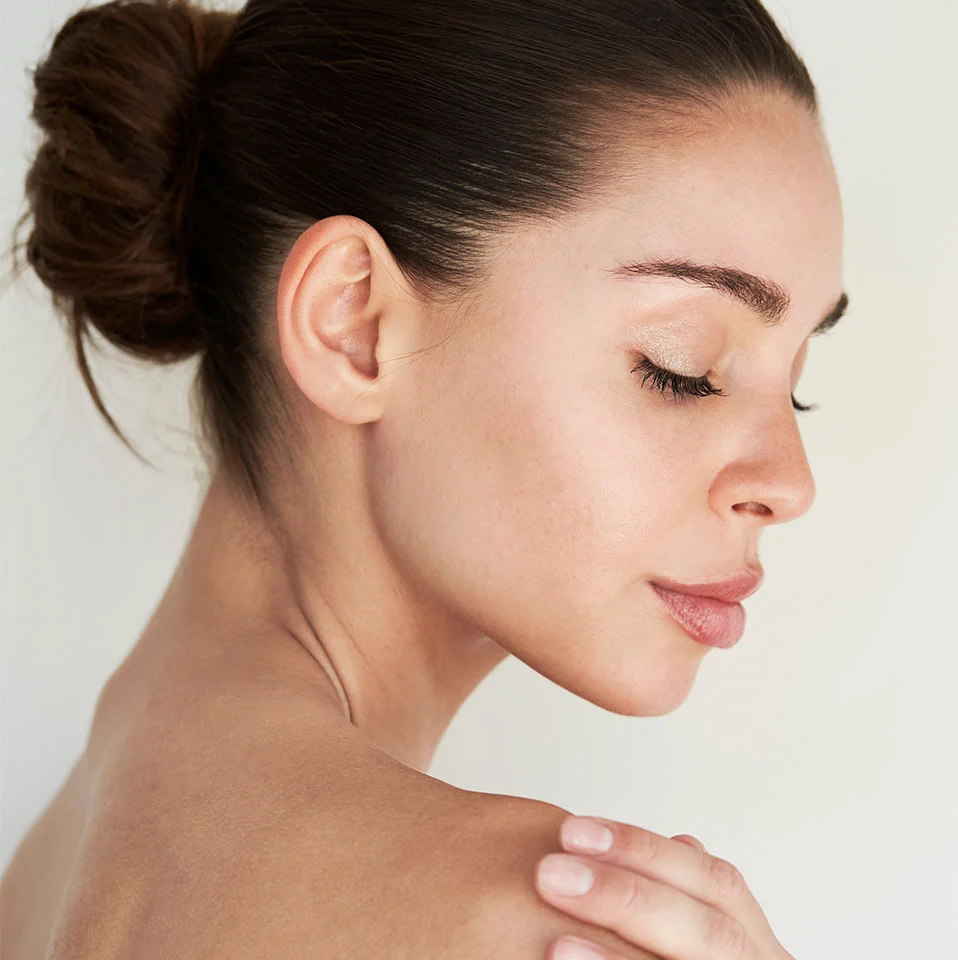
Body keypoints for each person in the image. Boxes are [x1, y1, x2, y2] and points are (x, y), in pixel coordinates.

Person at [1, 0, 846, 956]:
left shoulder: (63, 855)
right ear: (352, 325)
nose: (790, 481)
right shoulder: (538, 927)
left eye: (798, 385)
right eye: (682, 365)